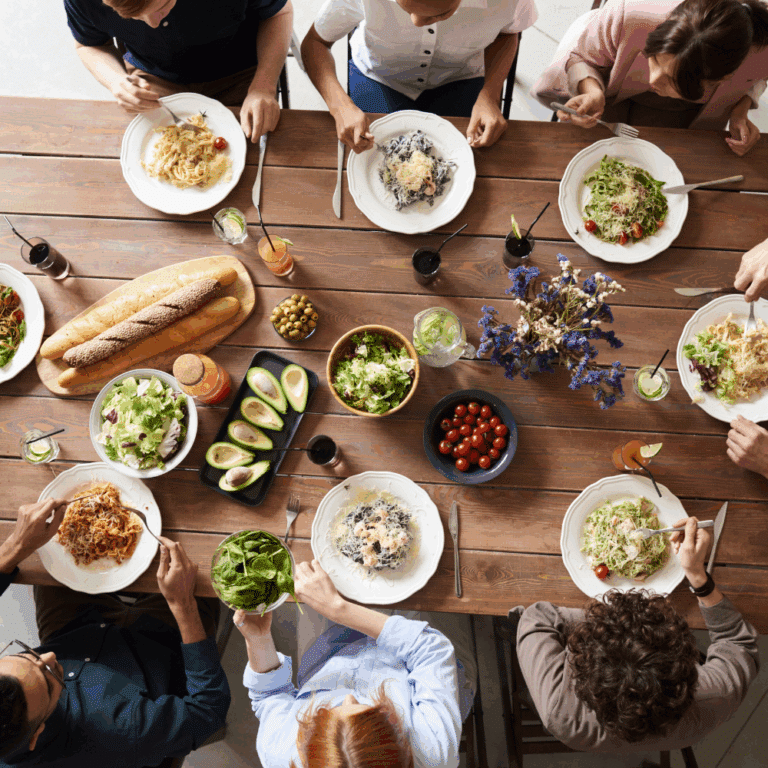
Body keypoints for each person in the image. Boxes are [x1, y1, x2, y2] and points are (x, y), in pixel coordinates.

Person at [0, 498, 230, 767]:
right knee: (204, 559)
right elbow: (208, 712)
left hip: (74, 632)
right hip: (158, 647)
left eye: (28, 656)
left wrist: (14, 546)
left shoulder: (50, 659)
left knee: (53, 551)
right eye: (49, 680)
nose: (50, 657)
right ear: (37, 734)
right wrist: (184, 605)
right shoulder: (121, 732)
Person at [514, 516, 759, 752]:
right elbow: (738, 642)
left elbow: (536, 618)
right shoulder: (716, 696)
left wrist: (601, 625)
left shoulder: (558, 711)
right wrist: (697, 575)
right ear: (687, 664)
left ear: (581, 668)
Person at [235, 559, 477, 768]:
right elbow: (430, 649)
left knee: (313, 566)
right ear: (399, 745)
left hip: (328, 652)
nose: (349, 697)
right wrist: (337, 608)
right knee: (435, 573)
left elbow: (269, 696)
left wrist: (258, 640)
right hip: (417, 658)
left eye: (327, 711)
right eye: (371, 710)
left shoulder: (279, 754)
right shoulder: (433, 751)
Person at [532, 0, 768, 156]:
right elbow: (583, 55)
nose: (653, 79)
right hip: (611, 89)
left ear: (721, 78)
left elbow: (756, 80)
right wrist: (591, 90)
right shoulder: (632, 14)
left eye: (672, 81)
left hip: (687, 115)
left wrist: (740, 109)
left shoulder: (760, 55)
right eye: (654, 59)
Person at [301, 0, 538, 153]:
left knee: (473, 164)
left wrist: (490, 95)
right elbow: (315, 43)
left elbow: (508, 33)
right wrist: (340, 107)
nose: (415, 23)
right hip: (378, 77)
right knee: (368, 161)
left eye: (438, 14)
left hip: (461, 79)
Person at [63, 0, 294, 141]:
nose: (151, 24)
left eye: (161, 7)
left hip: (241, 72)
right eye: (132, 17)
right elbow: (89, 44)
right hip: (153, 78)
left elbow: (279, 13)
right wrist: (116, 81)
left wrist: (263, 87)